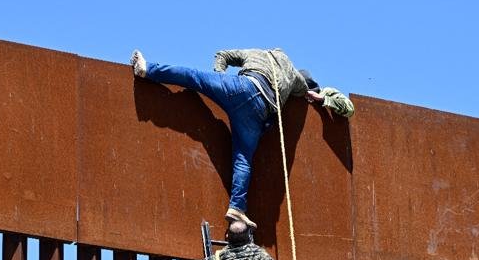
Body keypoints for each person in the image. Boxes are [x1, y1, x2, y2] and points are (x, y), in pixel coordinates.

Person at [131, 48, 354, 228]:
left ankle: (148, 69)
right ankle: (237, 207)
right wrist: (322, 97)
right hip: (261, 111)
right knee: (243, 158)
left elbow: (222, 55)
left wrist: (218, 78)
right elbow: (309, 92)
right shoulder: (295, 76)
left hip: (242, 88)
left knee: (194, 77)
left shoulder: (255, 53)